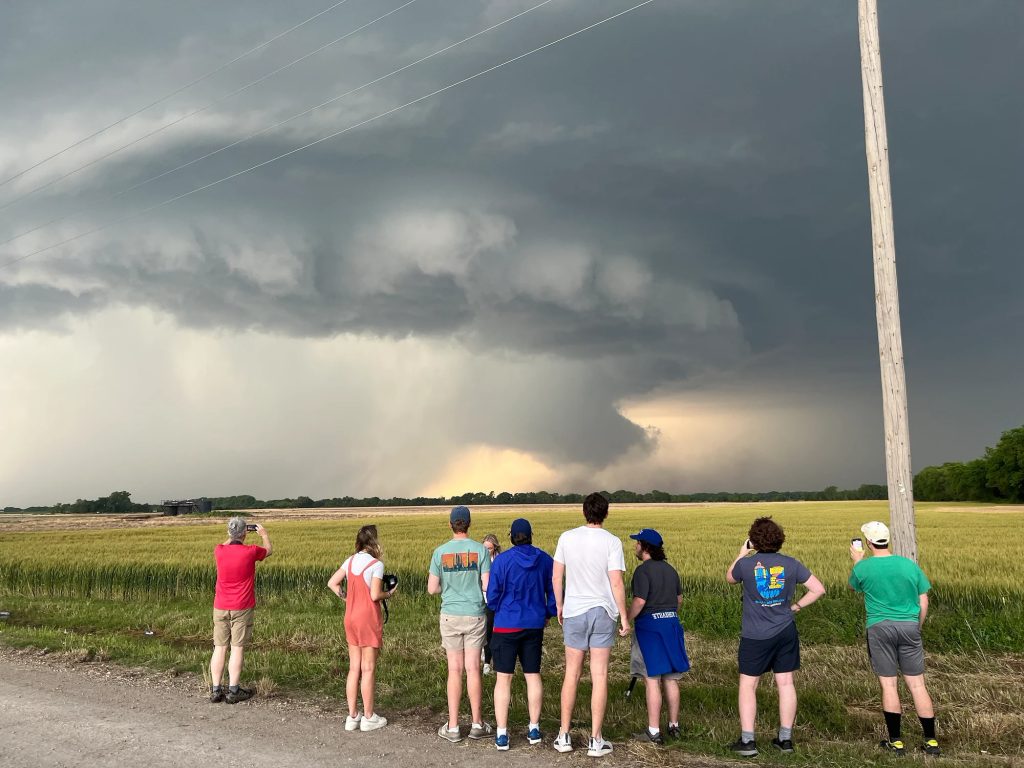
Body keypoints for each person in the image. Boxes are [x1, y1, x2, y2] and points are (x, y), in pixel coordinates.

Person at [726, 517, 825, 757]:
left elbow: (729, 578)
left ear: (753, 540)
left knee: (748, 685)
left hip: (755, 635)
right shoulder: (791, 563)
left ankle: (748, 742)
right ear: (780, 539)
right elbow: (818, 589)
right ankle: (785, 740)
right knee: (786, 683)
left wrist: (741, 554)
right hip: (785, 631)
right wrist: (796, 607)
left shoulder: (746, 565)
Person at [849, 521, 940, 756]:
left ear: (868, 543)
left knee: (889, 684)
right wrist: (916, 625)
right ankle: (930, 741)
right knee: (917, 684)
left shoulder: (863, 567)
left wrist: (857, 561)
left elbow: (854, 587)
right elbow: (924, 600)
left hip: (879, 629)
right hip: (910, 626)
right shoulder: (909, 565)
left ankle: (896, 742)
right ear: (888, 540)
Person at [552, 492, 630, 757]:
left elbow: (557, 576)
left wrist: (560, 606)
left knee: (571, 674)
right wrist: (624, 616)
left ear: (584, 512)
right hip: (602, 612)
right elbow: (616, 582)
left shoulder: (567, 538)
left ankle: (564, 735)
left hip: (574, 611)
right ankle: (596, 740)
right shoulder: (612, 542)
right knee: (600, 676)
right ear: (605, 513)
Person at [486, 518, 556, 751]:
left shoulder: (502, 561)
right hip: (534, 625)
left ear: (511, 536)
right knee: (532, 675)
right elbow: (554, 590)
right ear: (531, 535)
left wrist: (500, 610)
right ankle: (534, 728)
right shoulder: (545, 559)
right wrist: (548, 612)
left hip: (506, 625)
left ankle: (502, 734)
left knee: (503, 678)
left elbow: (493, 595)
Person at [428, 506, 493, 743]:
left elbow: (432, 588)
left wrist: (450, 587)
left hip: (450, 614)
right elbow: (487, 585)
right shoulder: (480, 551)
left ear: (450, 525)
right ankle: (477, 724)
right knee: (473, 668)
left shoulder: (440, 552)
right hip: (475, 614)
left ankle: (453, 727)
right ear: (468, 524)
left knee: (454, 670)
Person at [327, 524, 396, 732]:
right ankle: (368, 717)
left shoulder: (350, 561)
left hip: (350, 617)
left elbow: (332, 583)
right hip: (368, 619)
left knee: (353, 667)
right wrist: (390, 593)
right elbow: (375, 595)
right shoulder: (376, 565)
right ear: (374, 542)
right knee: (368, 668)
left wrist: (347, 598)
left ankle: (352, 716)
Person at [626, 528, 690, 745]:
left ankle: (653, 732)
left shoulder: (642, 571)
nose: (635, 546)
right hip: (671, 625)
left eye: (637, 543)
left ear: (645, 547)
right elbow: (679, 600)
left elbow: (640, 601)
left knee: (651, 679)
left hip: (649, 629)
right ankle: (674, 726)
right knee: (671, 678)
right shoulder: (671, 570)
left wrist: (626, 620)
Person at [209, 517, 272, 704]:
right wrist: (263, 534)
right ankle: (234, 690)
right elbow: (269, 551)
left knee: (219, 648)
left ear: (229, 533)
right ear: (245, 533)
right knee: (237, 648)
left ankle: (215, 690)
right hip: (241, 607)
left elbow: (225, 543)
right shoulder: (250, 551)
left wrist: (233, 534)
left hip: (220, 606)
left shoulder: (219, 551)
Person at [481, 533, 502, 676]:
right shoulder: (479, 561)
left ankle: (489, 662)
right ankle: (486, 659)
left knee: (494, 632)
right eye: (484, 548)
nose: (486, 551)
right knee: (484, 632)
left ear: (495, 548)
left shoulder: (499, 561)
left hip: (495, 602)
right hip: (482, 601)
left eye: (489, 548)